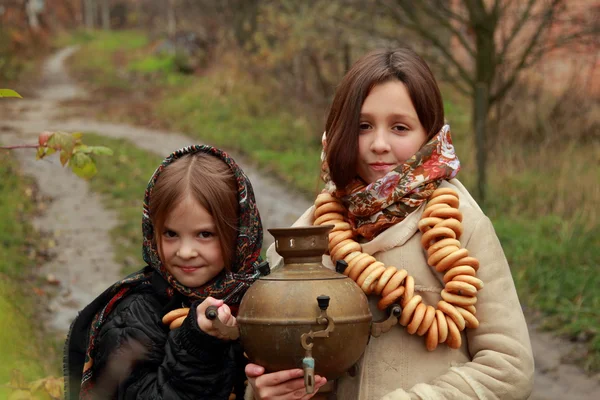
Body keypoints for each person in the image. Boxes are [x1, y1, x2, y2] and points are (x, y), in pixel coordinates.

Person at [250, 48, 534, 399]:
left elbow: (509, 367)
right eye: (362, 126)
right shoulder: (301, 237)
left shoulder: (463, 223)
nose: (379, 145)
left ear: (429, 134)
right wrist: (267, 390)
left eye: (400, 127)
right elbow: (283, 364)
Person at [64, 145, 264, 400]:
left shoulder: (260, 300)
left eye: (205, 234)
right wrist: (197, 346)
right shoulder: (133, 316)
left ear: (239, 234)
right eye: (171, 234)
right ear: (152, 232)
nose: (185, 251)